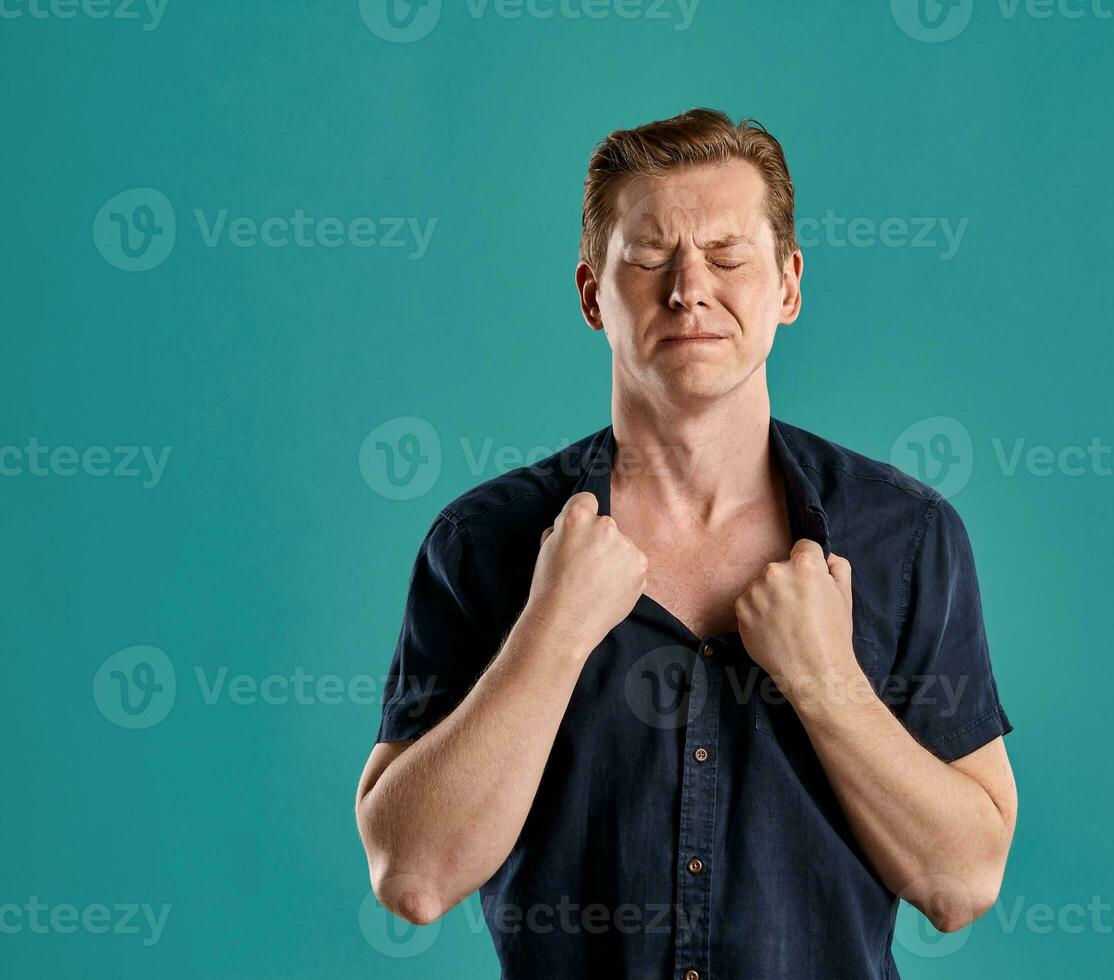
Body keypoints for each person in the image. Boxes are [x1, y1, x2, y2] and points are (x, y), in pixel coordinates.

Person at [354, 107, 1017, 980]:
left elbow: (962, 879)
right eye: (649, 257)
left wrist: (824, 681)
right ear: (593, 294)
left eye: (728, 256)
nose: (689, 288)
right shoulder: (482, 544)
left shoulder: (907, 539)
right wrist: (551, 630)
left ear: (787, 285)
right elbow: (413, 873)